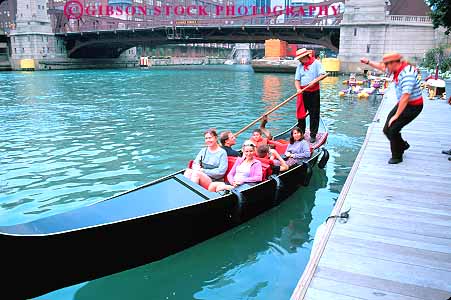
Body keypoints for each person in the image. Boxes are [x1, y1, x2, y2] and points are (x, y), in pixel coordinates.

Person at [361, 52, 423, 164]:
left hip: (413, 106)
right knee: (386, 129)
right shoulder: (396, 69)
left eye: (387, 64)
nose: (385, 67)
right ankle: (402, 145)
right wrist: (368, 62)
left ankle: (397, 156)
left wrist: (396, 116)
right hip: (404, 104)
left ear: (394, 63)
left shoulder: (407, 74)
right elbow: (382, 67)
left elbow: (405, 96)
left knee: (393, 129)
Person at [294, 48, 326, 143]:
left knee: (314, 114)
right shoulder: (300, 66)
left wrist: (314, 81)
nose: (299, 60)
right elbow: (297, 80)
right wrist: (298, 89)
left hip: (314, 92)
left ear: (305, 57)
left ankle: (313, 134)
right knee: (301, 115)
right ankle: (301, 134)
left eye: (300, 58)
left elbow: (323, 75)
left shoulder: (316, 63)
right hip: (303, 92)